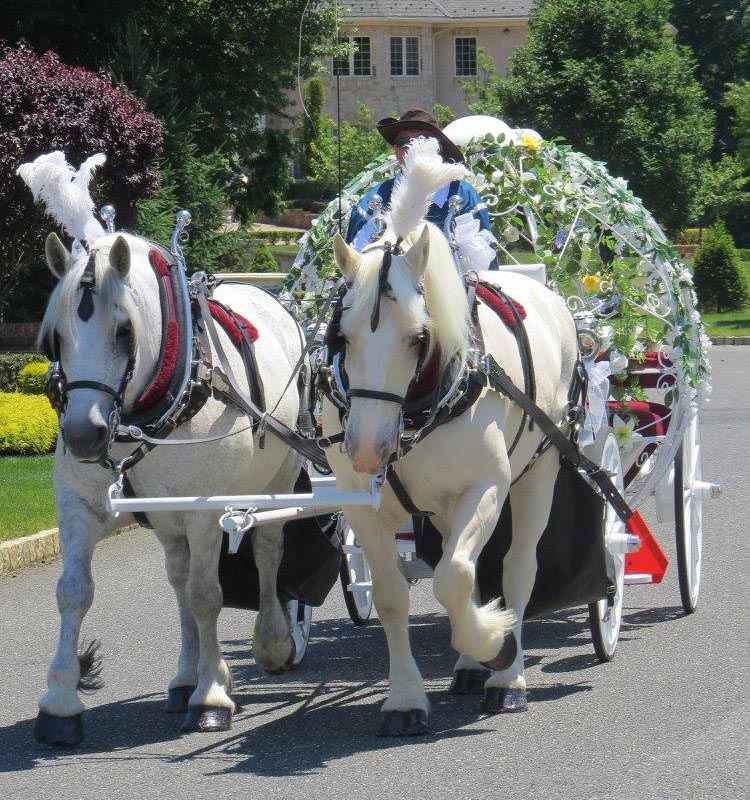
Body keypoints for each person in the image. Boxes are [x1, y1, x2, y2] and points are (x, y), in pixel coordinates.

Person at [345, 108, 498, 269]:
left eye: (421, 139)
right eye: (403, 142)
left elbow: (482, 269)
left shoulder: (462, 195)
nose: (412, 147)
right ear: (395, 150)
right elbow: (354, 267)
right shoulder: (375, 199)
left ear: (438, 147)